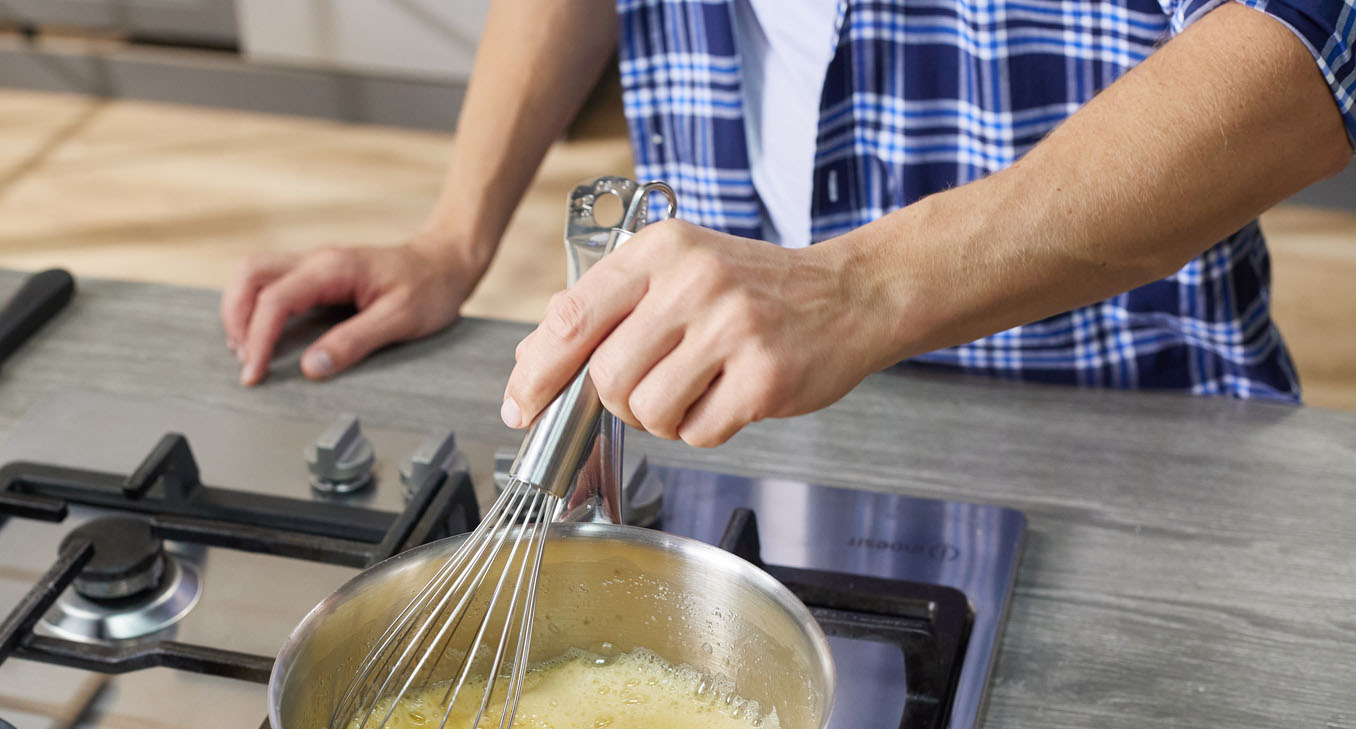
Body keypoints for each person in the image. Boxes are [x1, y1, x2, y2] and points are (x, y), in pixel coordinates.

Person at [221, 0, 1355, 448]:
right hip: (736, 409)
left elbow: (1304, 52)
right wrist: (454, 234)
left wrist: (858, 289)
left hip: (1110, 427)